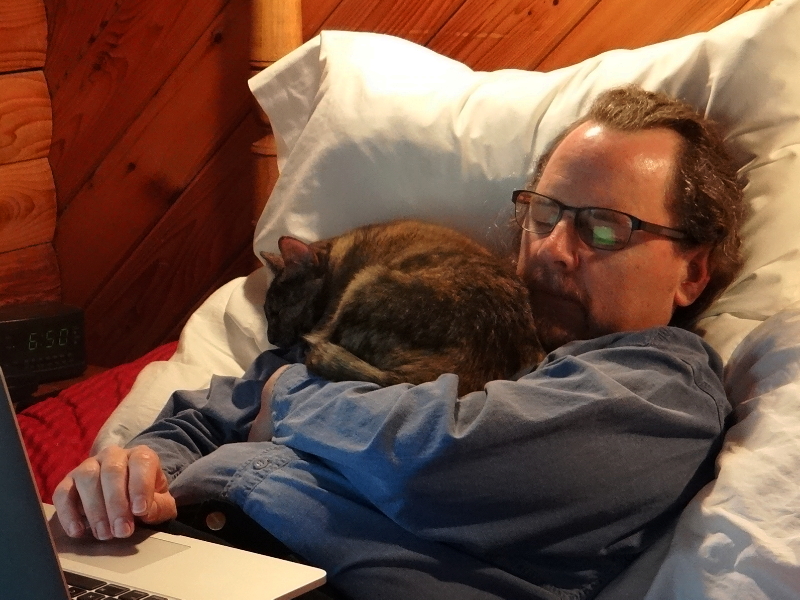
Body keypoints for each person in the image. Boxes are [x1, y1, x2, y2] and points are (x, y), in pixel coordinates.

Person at [53, 85, 747, 600]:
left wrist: (288, 400)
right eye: (544, 214)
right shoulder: (461, 324)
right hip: (163, 559)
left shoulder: (659, 391)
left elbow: (437, 457)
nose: (551, 250)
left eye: (602, 227)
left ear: (693, 271)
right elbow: (212, 410)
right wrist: (134, 473)